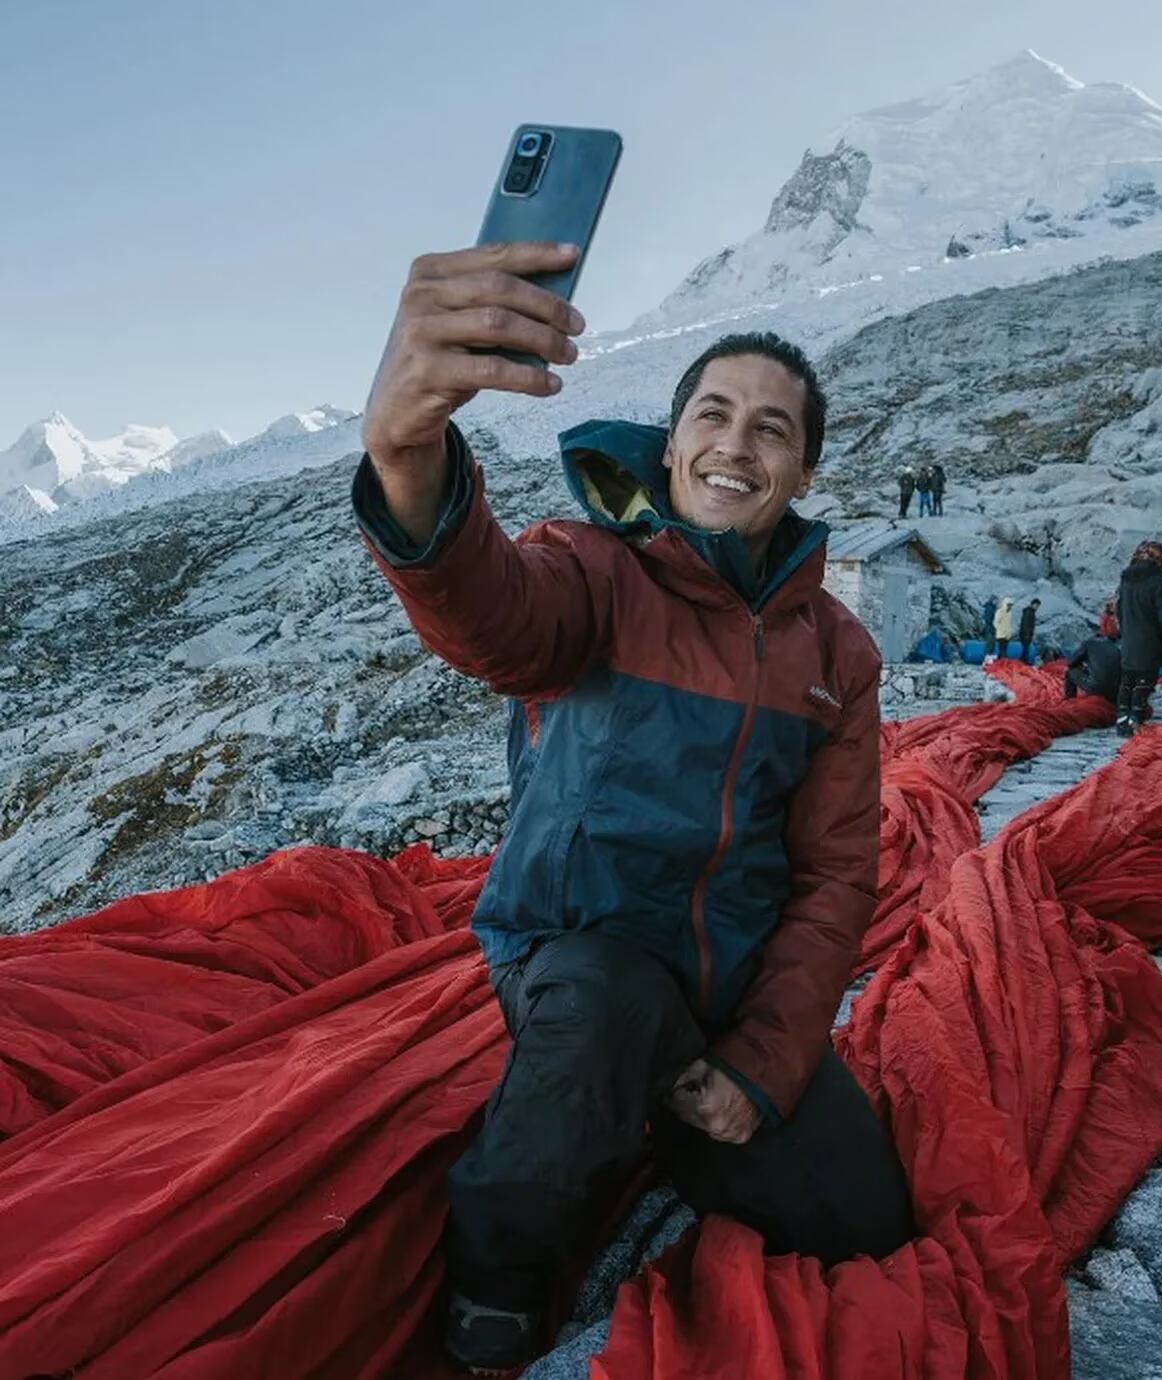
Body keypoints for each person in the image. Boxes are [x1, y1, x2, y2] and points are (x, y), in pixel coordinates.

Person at [354, 242, 914, 1374]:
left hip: (729, 991)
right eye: (714, 414)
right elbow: (491, 617)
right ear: (674, 445)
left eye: (772, 429)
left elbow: (835, 875)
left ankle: (663, 1112)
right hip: (577, 960)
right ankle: (496, 1288)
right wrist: (408, 452)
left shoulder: (837, 653)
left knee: (867, 1227)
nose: (737, 444)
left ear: (802, 472)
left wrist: (763, 1062)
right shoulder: (597, 570)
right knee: (603, 1005)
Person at [1115, 541, 1162, 736]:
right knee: (1145, 679)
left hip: (1129, 636)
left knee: (1127, 679)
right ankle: (1136, 717)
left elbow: (1119, 608)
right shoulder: (1159, 580)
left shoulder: (1126, 577)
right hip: (1150, 638)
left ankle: (1122, 718)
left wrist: (1125, 631)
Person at [1064, 636, 1122, 703]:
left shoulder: (1088, 643)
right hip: (1115, 692)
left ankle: (1069, 701)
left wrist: (1081, 666)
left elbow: (1070, 663)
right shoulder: (1116, 648)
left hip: (1096, 689)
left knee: (1069, 673)